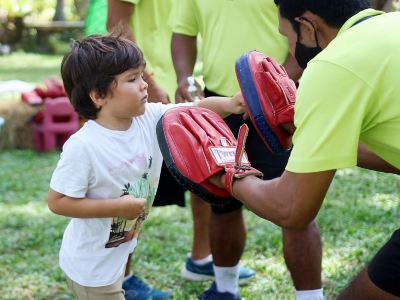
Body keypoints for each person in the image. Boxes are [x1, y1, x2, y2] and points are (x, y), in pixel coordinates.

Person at [210, 0, 400, 299]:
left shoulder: (332, 65)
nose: (290, 44)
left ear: (308, 25)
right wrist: (305, 133)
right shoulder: (392, 25)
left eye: (287, 36)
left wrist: (228, 173)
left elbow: (291, 208)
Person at [47, 33, 247, 300]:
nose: (144, 85)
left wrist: (230, 104)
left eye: (142, 76)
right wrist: (117, 207)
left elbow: (194, 110)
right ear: (99, 95)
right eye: (132, 79)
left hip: (115, 255)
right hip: (90, 267)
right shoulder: (84, 146)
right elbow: (58, 201)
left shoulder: (149, 118)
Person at [171, 1, 323, 299]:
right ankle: (225, 290)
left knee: (298, 208)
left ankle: (310, 297)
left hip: (280, 100)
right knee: (224, 202)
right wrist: (183, 77)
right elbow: (183, 32)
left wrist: (275, 83)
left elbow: (306, 30)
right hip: (220, 102)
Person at [106, 0, 255, 291]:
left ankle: (201, 258)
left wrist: (193, 83)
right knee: (131, 187)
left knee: (203, 170)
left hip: (175, 88)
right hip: (142, 89)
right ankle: (118, 279)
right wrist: (147, 80)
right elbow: (117, 25)